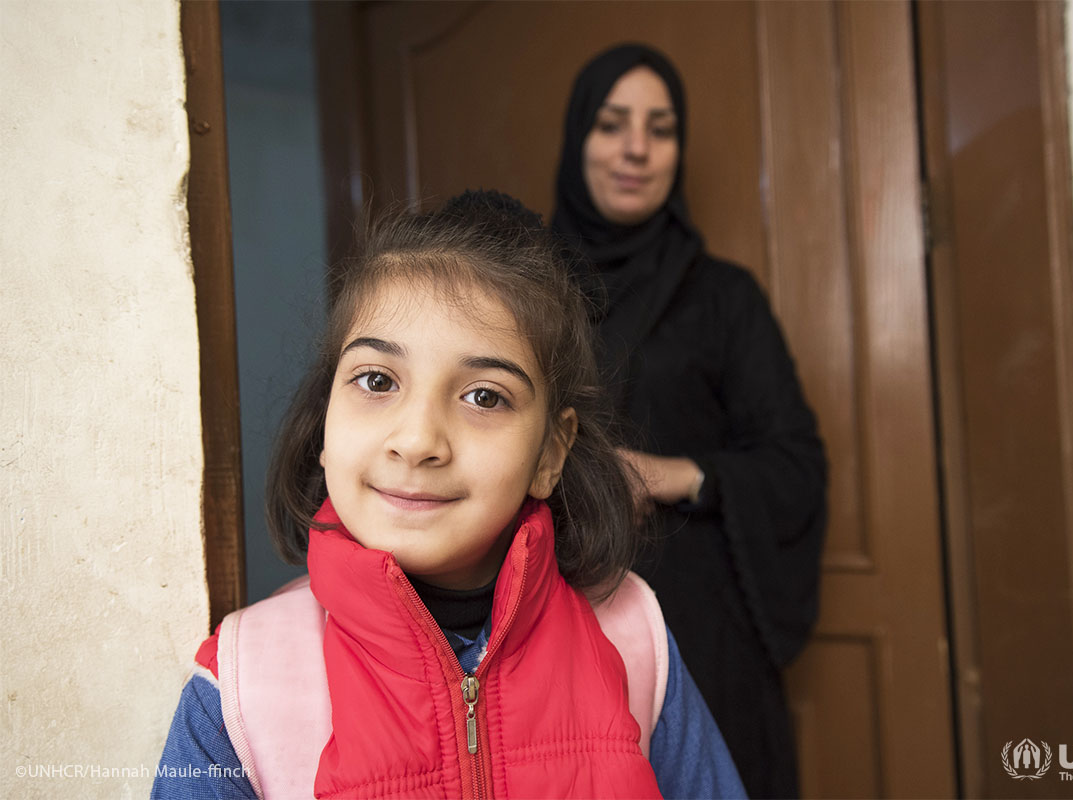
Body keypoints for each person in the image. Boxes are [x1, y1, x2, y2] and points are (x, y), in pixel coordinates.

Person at [151, 191, 745, 799]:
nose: (416, 441)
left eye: (484, 396)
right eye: (377, 381)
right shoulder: (241, 685)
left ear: (549, 454)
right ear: (325, 424)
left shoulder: (634, 639)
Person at [552, 44, 828, 798]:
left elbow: (796, 462)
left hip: (704, 634)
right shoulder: (532, 296)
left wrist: (670, 474)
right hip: (556, 624)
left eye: (660, 128)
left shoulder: (724, 299)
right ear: (580, 139)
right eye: (612, 124)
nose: (636, 147)